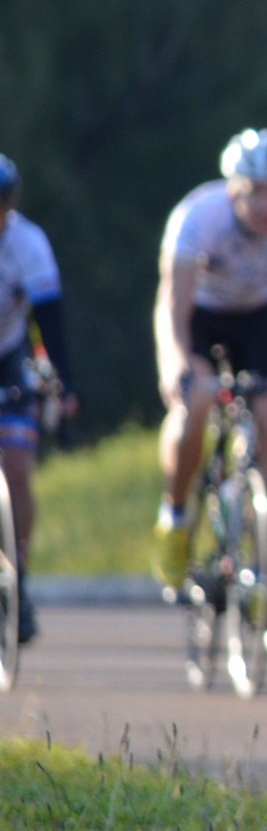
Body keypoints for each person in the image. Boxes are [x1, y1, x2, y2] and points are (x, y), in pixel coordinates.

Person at [151, 129, 267, 596]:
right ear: (234, 188)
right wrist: (175, 362)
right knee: (195, 406)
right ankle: (177, 513)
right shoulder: (197, 216)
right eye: (255, 192)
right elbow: (173, 307)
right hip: (202, 317)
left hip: (258, 317)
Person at [0, 153, 80, 644]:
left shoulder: (27, 243)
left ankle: (17, 574)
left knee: (18, 465)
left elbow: (50, 317)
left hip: (9, 355)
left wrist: (66, 384)